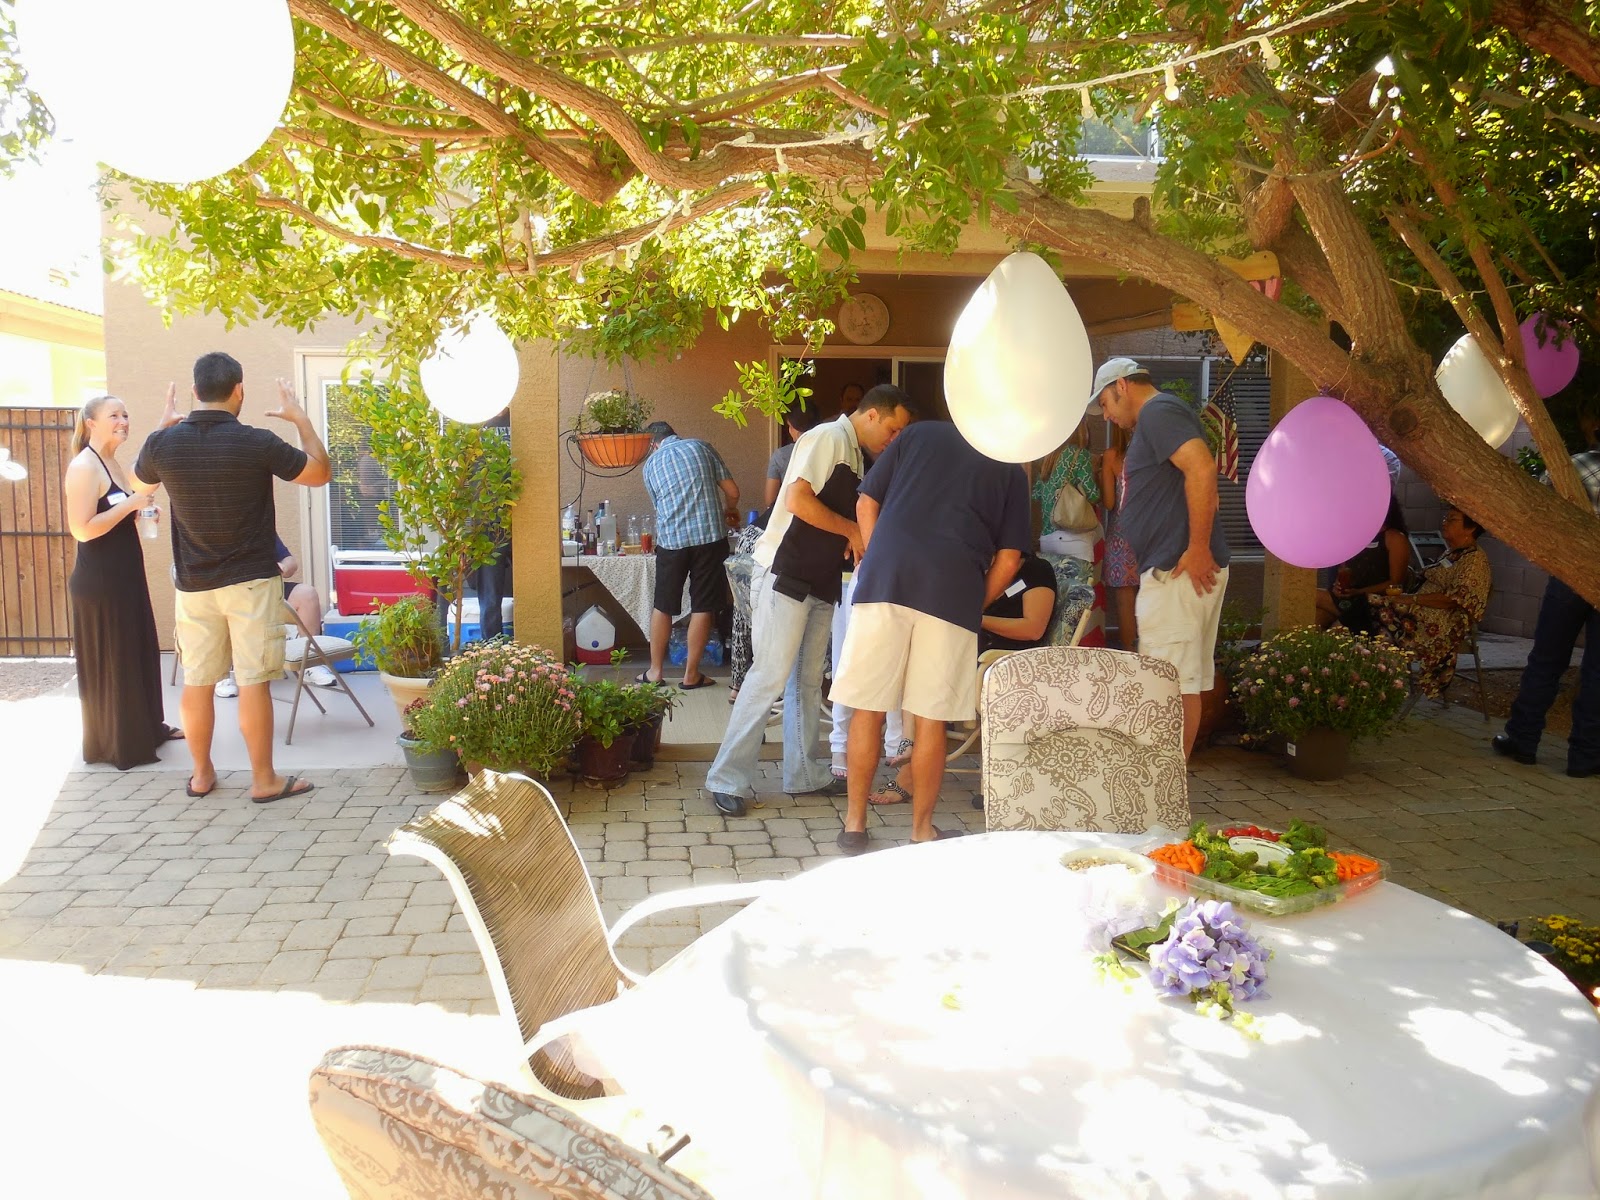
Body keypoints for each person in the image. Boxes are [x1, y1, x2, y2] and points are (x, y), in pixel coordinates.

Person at [706, 385, 916, 816]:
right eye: (892, 429)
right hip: (786, 573)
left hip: (819, 581)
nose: (893, 439)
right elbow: (797, 500)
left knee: (806, 682)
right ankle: (725, 779)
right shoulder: (828, 437)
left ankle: (804, 774)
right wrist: (851, 530)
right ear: (871, 415)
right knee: (768, 677)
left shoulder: (855, 452)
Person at [134, 352, 332, 803]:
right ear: (239, 390)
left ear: (194, 391)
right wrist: (301, 419)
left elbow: (139, 486)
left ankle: (202, 775)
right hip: (250, 584)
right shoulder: (257, 442)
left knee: (198, 681)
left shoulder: (163, 445)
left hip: (194, 587)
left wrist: (160, 428)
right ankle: (263, 780)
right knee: (252, 680)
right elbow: (320, 473)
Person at [833, 420, 1031, 851]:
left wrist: (881, 558)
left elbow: (866, 502)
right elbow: (1009, 560)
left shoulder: (917, 434)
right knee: (930, 719)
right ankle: (921, 830)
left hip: (885, 580)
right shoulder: (1011, 468)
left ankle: (854, 825)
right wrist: (971, 602)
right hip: (952, 589)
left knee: (867, 708)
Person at [1095, 357, 1230, 758]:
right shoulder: (1158, 416)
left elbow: (1202, 470)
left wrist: (1198, 547)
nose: (1106, 415)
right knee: (1180, 683)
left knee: (1166, 684)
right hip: (1177, 567)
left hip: (1179, 569)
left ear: (1122, 385)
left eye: (1104, 403)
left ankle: (1163, 790)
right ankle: (1169, 787)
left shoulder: (1158, 412)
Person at [866, 550, 1056, 808]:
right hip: (971, 655)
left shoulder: (1036, 571)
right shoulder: (978, 570)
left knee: (932, 675)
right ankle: (909, 744)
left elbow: (1033, 629)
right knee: (919, 658)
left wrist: (977, 619)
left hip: (1008, 665)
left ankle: (910, 768)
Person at [64, 392, 181, 769]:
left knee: (137, 650)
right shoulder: (84, 466)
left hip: (125, 575)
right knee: (117, 659)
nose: (124, 421)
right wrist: (130, 505)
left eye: (126, 415)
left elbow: (132, 490)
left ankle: (148, 729)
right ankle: (121, 745)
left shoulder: (111, 463)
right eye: (114, 415)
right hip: (101, 582)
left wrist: (139, 510)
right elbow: (82, 529)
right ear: (91, 423)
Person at [1494, 431, 1600, 776]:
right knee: (1597, 671)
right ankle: (1586, 757)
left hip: (1570, 573)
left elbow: (1537, 501)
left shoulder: (1575, 466)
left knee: (1546, 660)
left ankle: (1523, 739)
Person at [639, 421, 738, 689]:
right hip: (710, 538)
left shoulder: (650, 465)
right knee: (703, 605)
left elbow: (660, 507)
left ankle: (655, 672)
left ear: (653, 444)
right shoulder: (701, 447)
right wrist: (730, 509)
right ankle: (691, 675)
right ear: (675, 434)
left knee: (663, 605)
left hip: (672, 542)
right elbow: (733, 492)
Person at [1370, 507, 1492, 699]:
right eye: (1445, 518)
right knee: (1365, 605)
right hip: (1416, 612)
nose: (1445, 523)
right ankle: (1369, 677)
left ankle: (1374, 682)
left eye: (1452, 519)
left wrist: (1411, 599)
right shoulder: (1452, 553)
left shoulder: (1474, 561)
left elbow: (1453, 599)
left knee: (1369, 608)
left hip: (1434, 625)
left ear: (1470, 528)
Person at [214, 535, 337, 697]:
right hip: (226, 593)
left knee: (306, 594)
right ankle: (221, 673)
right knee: (215, 605)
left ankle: (309, 663)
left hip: (266, 591)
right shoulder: (213, 531)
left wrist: (283, 566)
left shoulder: (259, 529)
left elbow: (290, 561)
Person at [1315, 494, 1410, 634]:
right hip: (1348, 598)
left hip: (1371, 601)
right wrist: (1338, 586)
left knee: (1312, 596)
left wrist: (1359, 592)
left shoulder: (1395, 538)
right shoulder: (1357, 533)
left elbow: (1396, 582)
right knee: (1316, 619)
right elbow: (1344, 568)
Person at [1033, 423, 1101, 561]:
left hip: (1047, 539)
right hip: (1074, 538)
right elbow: (1093, 495)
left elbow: (1035, 494)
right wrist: (1097, 474)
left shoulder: (1047, 458)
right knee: (1077, 576)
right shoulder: (1080, 455)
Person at [1100, 421, 1139, 650]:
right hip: (1153, 533)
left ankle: (1131, 657)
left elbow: (1108, 502)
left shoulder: (1112, 456)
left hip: (1121, 536)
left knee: (1125, 603)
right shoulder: (1155, 454)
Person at [763, 405, 823, 509]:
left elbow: (770, 500)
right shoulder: (831, 449)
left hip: (790, 513)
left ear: (797, 429)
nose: (789, 430)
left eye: (790, 426)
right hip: (825, 512)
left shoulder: (781, 455)